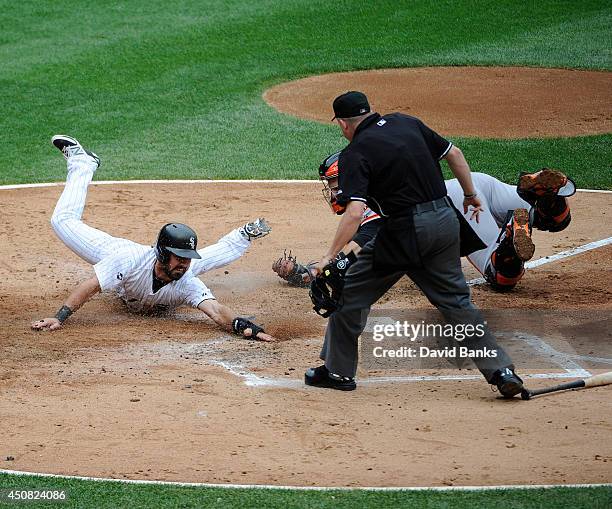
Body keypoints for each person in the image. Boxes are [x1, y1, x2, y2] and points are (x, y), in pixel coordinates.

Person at [304, 91, 525, 395]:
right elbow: (455, 155)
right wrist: (472, 195)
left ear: (343, 123)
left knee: (346, 291)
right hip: (447, 221)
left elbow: (355, 211)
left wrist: (329, 256)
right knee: (457, 303)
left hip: (404, 231)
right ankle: (501, 371)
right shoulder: (406, 122)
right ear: (371, 111)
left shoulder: (355, 152)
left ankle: (338, 372)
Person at [31, 135, 275, 342]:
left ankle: (243, 235)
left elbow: (216, 310)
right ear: (161, 253)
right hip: (120, 253)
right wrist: (59, 316)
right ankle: (82, 164)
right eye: (179, 258)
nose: (184, 263)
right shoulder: (127, 260)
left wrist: (242, 326)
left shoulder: (186, 278)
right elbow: (92, 285)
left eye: (187, 258)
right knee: (61, 221)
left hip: (149, 269)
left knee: (203, 262)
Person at [273, 151, 575, 292]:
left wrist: (303, 272)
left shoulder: (367, 206)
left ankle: (508, 238)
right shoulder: (386, 181)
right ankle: (536, 188)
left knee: (502, 276)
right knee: (553, 219)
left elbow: (348, 259)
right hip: (471, 185)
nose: (334, 191)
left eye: (336, 183)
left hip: (458, 212)